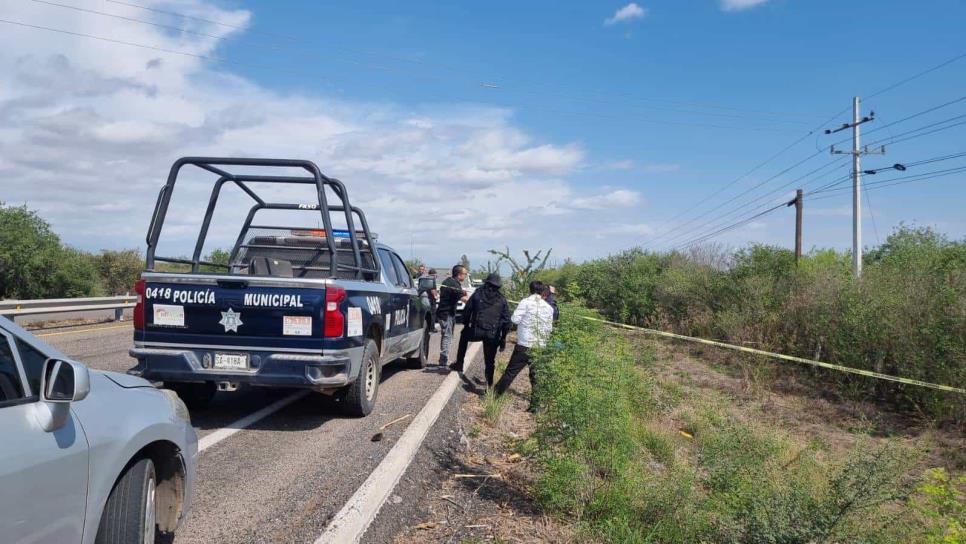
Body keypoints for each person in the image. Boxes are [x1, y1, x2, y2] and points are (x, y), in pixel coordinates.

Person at [494, 280, 554, 411]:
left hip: (524, 344)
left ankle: (494, 396)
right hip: (540, 346)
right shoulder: (549, 308)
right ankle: (535, 406)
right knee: (536, 376)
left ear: (530, 290)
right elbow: (549, 329)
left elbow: (515, 319)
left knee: (510, 372)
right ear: (543, 292)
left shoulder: (526, 302)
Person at [451, 273, 511, 387]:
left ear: (486, 283)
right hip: (493, 334)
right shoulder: (502, 300)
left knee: (464, 336)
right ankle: (489, 384)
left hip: (476, 331)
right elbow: (507, 321)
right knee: (490, 361)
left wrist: (466, 324)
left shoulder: (477, 295)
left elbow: (467, 311)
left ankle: (459, 363)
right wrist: (502, 339)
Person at [436, 265, 468, 366]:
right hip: (446, 314)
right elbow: (465, 299)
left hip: (444, 313)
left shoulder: (447, 281)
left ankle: (443, 360)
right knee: (447, 336)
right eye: (465, 274)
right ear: (459, 275)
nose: (465, 276)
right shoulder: (454, 284)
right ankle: (443, 361)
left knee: (447, 336)